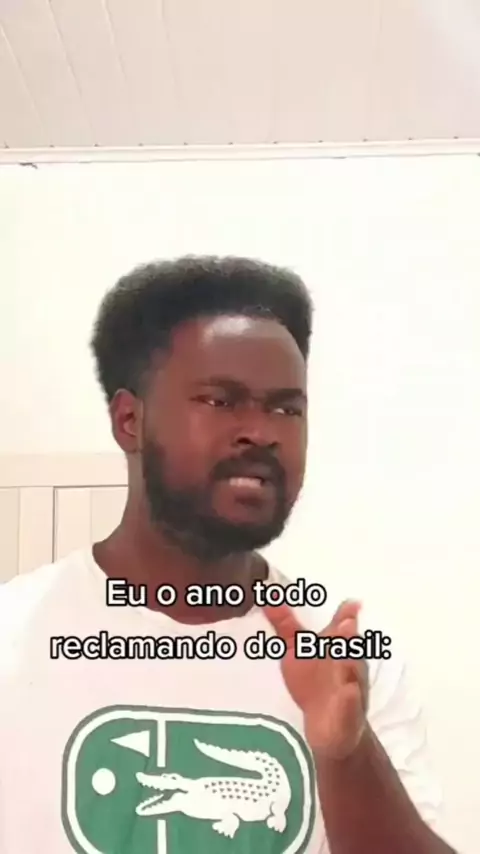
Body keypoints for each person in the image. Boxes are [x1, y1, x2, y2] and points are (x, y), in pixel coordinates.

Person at [0, 255, 457, 854]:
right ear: (129, 420)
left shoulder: (347, 658)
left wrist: (346, 754)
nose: (262, 432)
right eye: (220, 400)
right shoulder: (13, 636)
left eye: (287, 408)